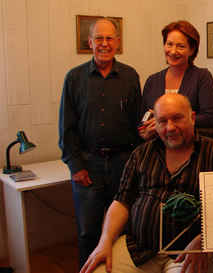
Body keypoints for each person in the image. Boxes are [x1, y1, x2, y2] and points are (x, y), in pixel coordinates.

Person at [79, 93, 213, 273]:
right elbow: (122, 201)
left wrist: (203, 242)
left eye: (177, 118)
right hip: (138, 248)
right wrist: (105, 242)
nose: (170, 127)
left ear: (192, 118)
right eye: (162, 121)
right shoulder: (141, 154)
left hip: (188, 251)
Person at [58, 18, 142, 268]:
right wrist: (76, 166)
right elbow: (67, 128)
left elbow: (137, 124)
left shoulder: (130, 76)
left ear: (117, 42)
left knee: (124, 230)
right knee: (88, 232)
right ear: (90, 42)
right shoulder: (74, 78)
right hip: (89, 166)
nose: (104, 44)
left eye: (109, 38)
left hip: (123, 165)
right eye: (99, 39)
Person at [139, 20, 213, 140]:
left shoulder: (202, 77)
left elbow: (210, 118)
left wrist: (165, 121)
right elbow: (143, 118)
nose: (173, 51)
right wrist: (144, 132)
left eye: (180, 46)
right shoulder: (152, 80)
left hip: (191, 147)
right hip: (157, 149)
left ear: (191, 50)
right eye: (169, 44)